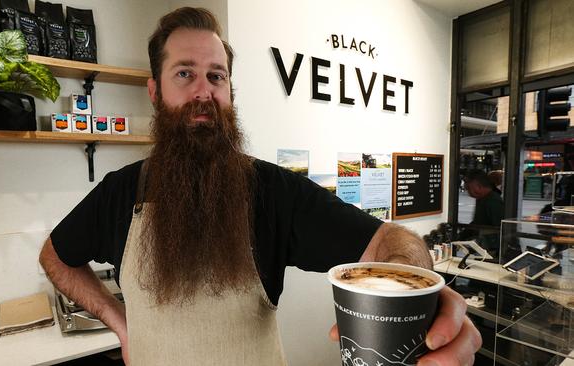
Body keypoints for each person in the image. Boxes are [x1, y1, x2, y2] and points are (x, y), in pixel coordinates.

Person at [39, 7, 481, 366]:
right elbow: (55, 257)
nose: (203, 92)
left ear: (230, 90)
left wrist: (415, 293)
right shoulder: (120, 192)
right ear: (154, 92)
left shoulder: (272, 192)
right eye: (184, 74)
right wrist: (120, 323)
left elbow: (392, 239)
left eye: (217, 76)